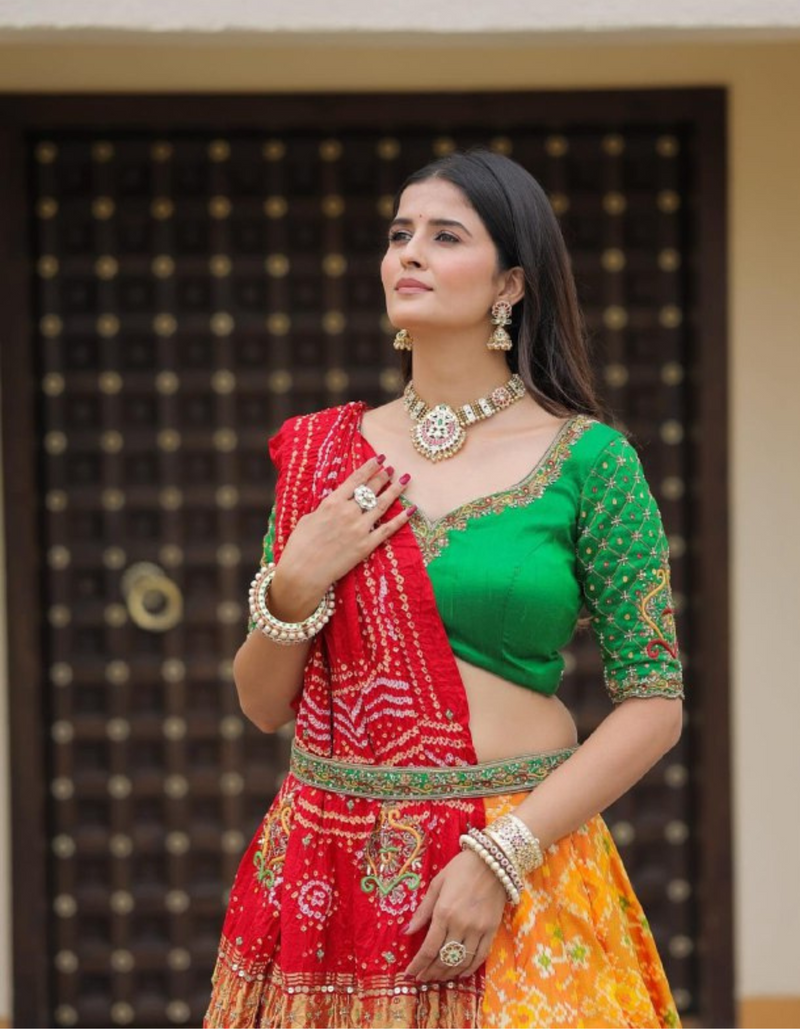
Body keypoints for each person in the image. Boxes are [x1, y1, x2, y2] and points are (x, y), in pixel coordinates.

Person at [204, 147, 685, 1029]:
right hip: (329, 863)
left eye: (443, 235)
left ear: (510, 283)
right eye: (398, 234)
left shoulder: (591, 461)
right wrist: (299, 577)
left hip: (517, 852)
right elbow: (263, 702)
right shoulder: (324, 456)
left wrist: (501, 856)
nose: (407, 254)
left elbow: (654, 703)